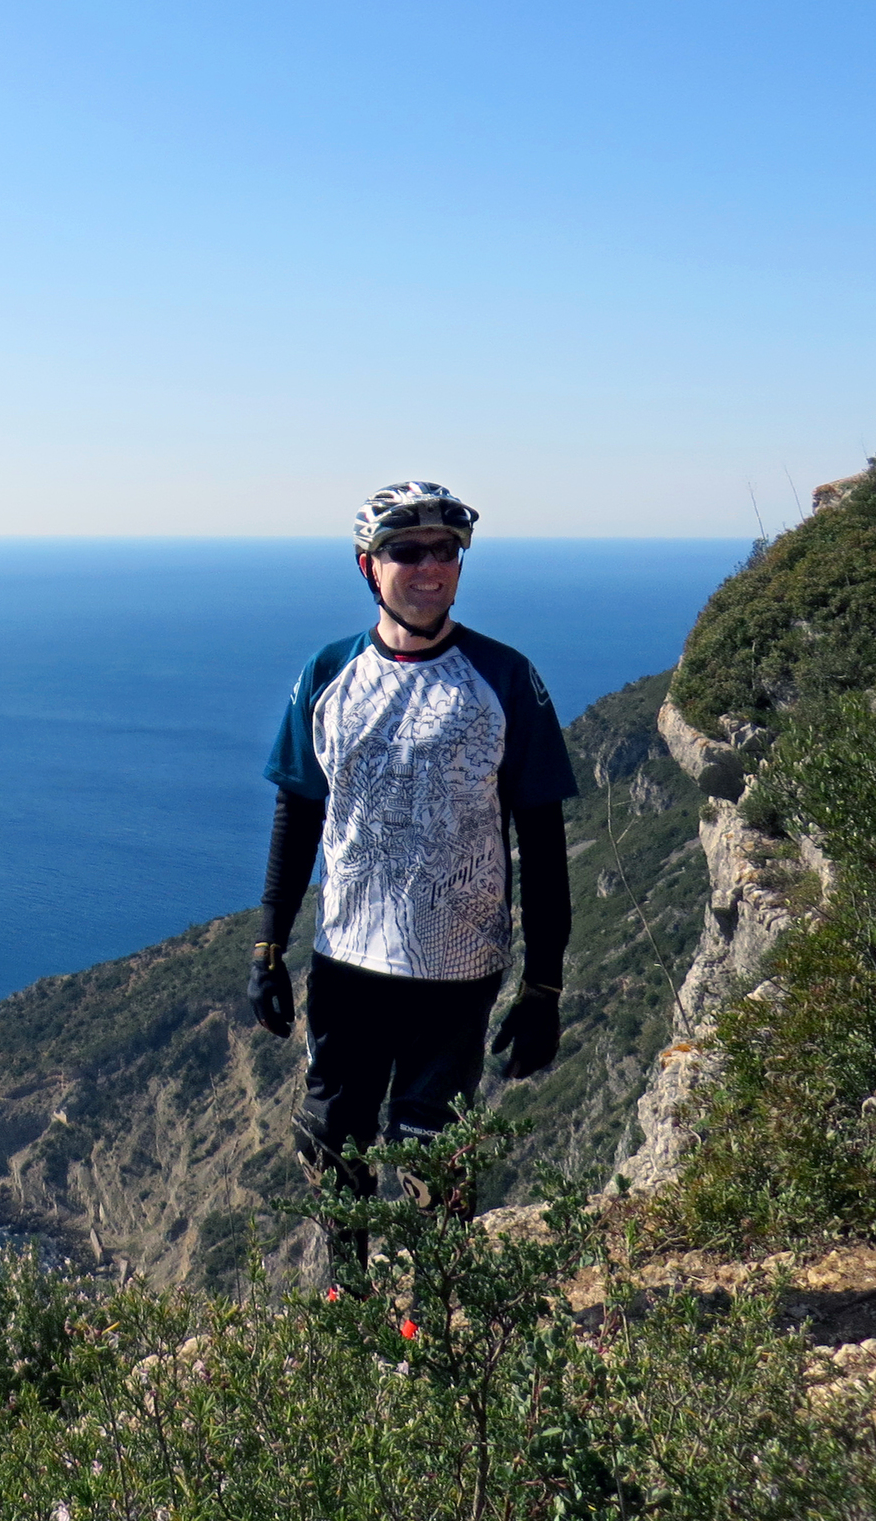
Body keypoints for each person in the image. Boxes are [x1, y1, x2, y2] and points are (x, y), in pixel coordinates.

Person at [246, 481, 575, 1243]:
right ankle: (351, 1306)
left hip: (455, 967)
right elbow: (298, 810)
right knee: (330, 1140)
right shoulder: (328, 673)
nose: (430, 568)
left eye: (446, 551)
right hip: (347, 958)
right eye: (408, 552)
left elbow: (544, 840)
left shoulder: (504, 678)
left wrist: (545, 987)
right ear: (369, 566)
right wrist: (268, 947)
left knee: (433, 1154)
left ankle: (436, 1322)